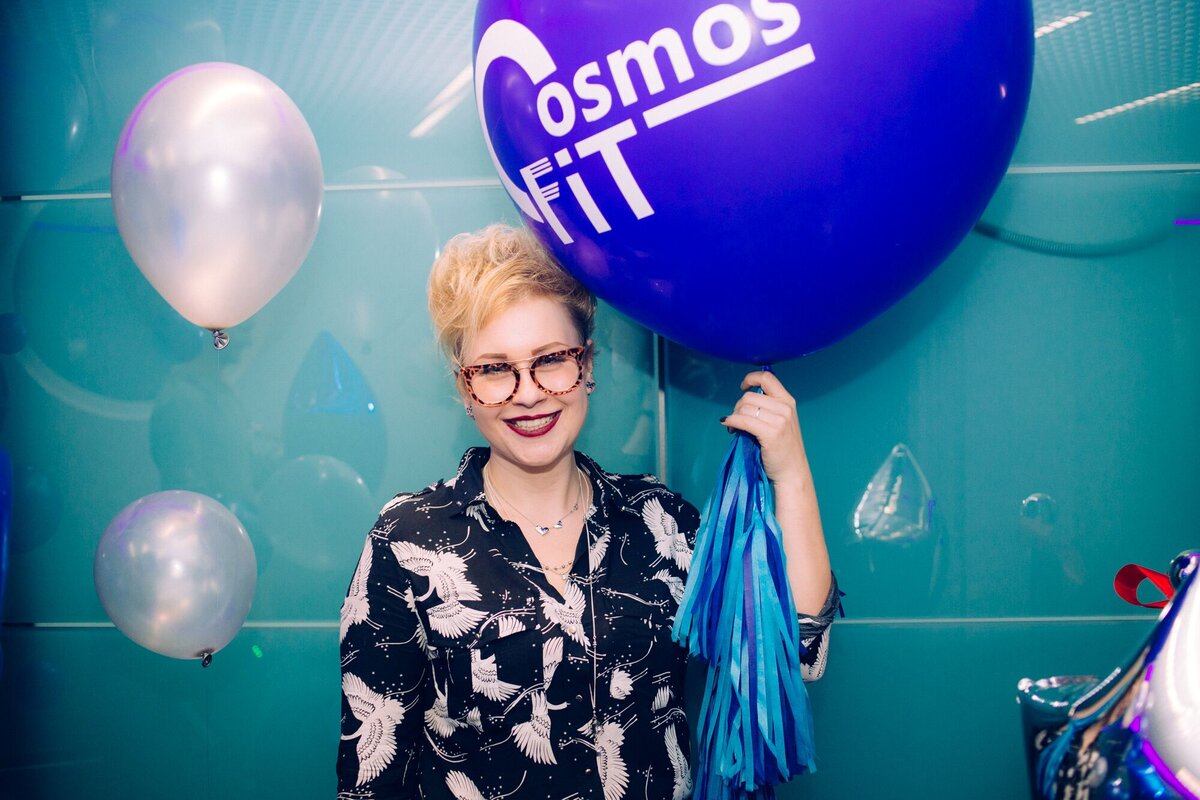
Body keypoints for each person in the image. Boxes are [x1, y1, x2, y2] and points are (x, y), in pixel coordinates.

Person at [336, 224, 840, 800]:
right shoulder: (408, 538)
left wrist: (791, 475)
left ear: (589, 365)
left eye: (551, 359)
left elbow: (795, 657)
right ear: (465, 388)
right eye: (495, 369)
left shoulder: (660, 522)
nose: (528, 393)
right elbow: (371, 779)